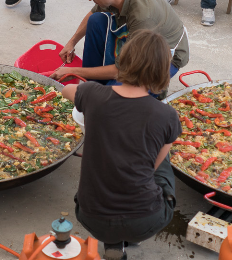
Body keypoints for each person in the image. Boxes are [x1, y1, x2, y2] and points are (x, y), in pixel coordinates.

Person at [60, 29, 179, 260]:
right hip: (145, 220)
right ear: (162, 71)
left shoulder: (93, 94)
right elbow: (152, 167)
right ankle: (128, 236)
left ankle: (112, 242)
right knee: (163, 159)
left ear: (123, 61)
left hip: (90, 215)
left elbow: (66, 90)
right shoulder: (167, 115)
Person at [52, 0, 189, 85]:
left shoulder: (143, 17)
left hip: (162, 57)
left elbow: (121, 69)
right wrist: (72, 42)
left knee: (113, 99)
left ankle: (154, 91)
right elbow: (93, 13)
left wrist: (75, 71)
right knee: (96, 20)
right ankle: (92, 83)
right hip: (141, 36)